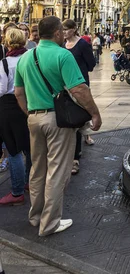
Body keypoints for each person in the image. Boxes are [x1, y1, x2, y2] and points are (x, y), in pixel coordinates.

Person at [14, 16, 102, 237]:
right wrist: (94, 113)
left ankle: (35, 217)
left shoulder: (26, 57)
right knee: (57, 172)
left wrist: (30, 113)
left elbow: (18, 93)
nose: (64, 34)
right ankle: (50, 224)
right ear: (56, 33)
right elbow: (79, 89)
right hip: (58, 121)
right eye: (62, 31)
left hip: (33, 119)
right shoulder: (63, 55)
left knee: (37, 170)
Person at [0, 28, 31, 206]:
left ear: (8, 42)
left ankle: (17, 191)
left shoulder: (4, 63)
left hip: (10, 107)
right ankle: (29, 182)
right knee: (30, 147)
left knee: (13, 150)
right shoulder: (31, 59)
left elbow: (2, 89)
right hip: (30, 103)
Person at [63, 19, 97, 174]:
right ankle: (84, 137)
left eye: (66, 29)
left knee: (77, 121)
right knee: (72, 120)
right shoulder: (61, 45)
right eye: (62, 30)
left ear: (74, 29)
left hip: (80, 84)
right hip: (64, 87)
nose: (64, 32)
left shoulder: (82, 44)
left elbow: (91, 64)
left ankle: (75, 158)